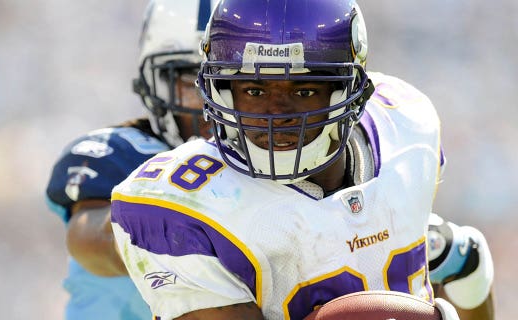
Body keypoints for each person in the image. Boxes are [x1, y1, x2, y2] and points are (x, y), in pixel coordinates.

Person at [110, 0, 495, 319]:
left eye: (306, 90)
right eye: (255, 90)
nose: (279, 112)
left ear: (351, 92)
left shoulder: (406, 123)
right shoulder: (183, 202)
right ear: (222, 89)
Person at [45, 0, 214, 318]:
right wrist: (198, 222)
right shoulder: (121, 155)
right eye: (194, 83)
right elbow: (90, 241)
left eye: (235, 81)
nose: (215, 101)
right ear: (155, 85)